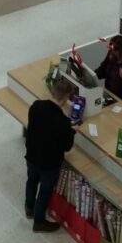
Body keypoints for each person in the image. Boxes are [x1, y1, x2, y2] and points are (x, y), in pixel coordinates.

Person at [24, 77, 76, 233]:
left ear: (52, 92)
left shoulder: (36, 106)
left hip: (32, 156)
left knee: (31, 181)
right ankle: (39, 222)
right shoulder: (63, 122)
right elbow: (67, 147)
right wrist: (72, 131)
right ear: (66, 99)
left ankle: (29, 207)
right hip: (48, 165)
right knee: (44, 192)